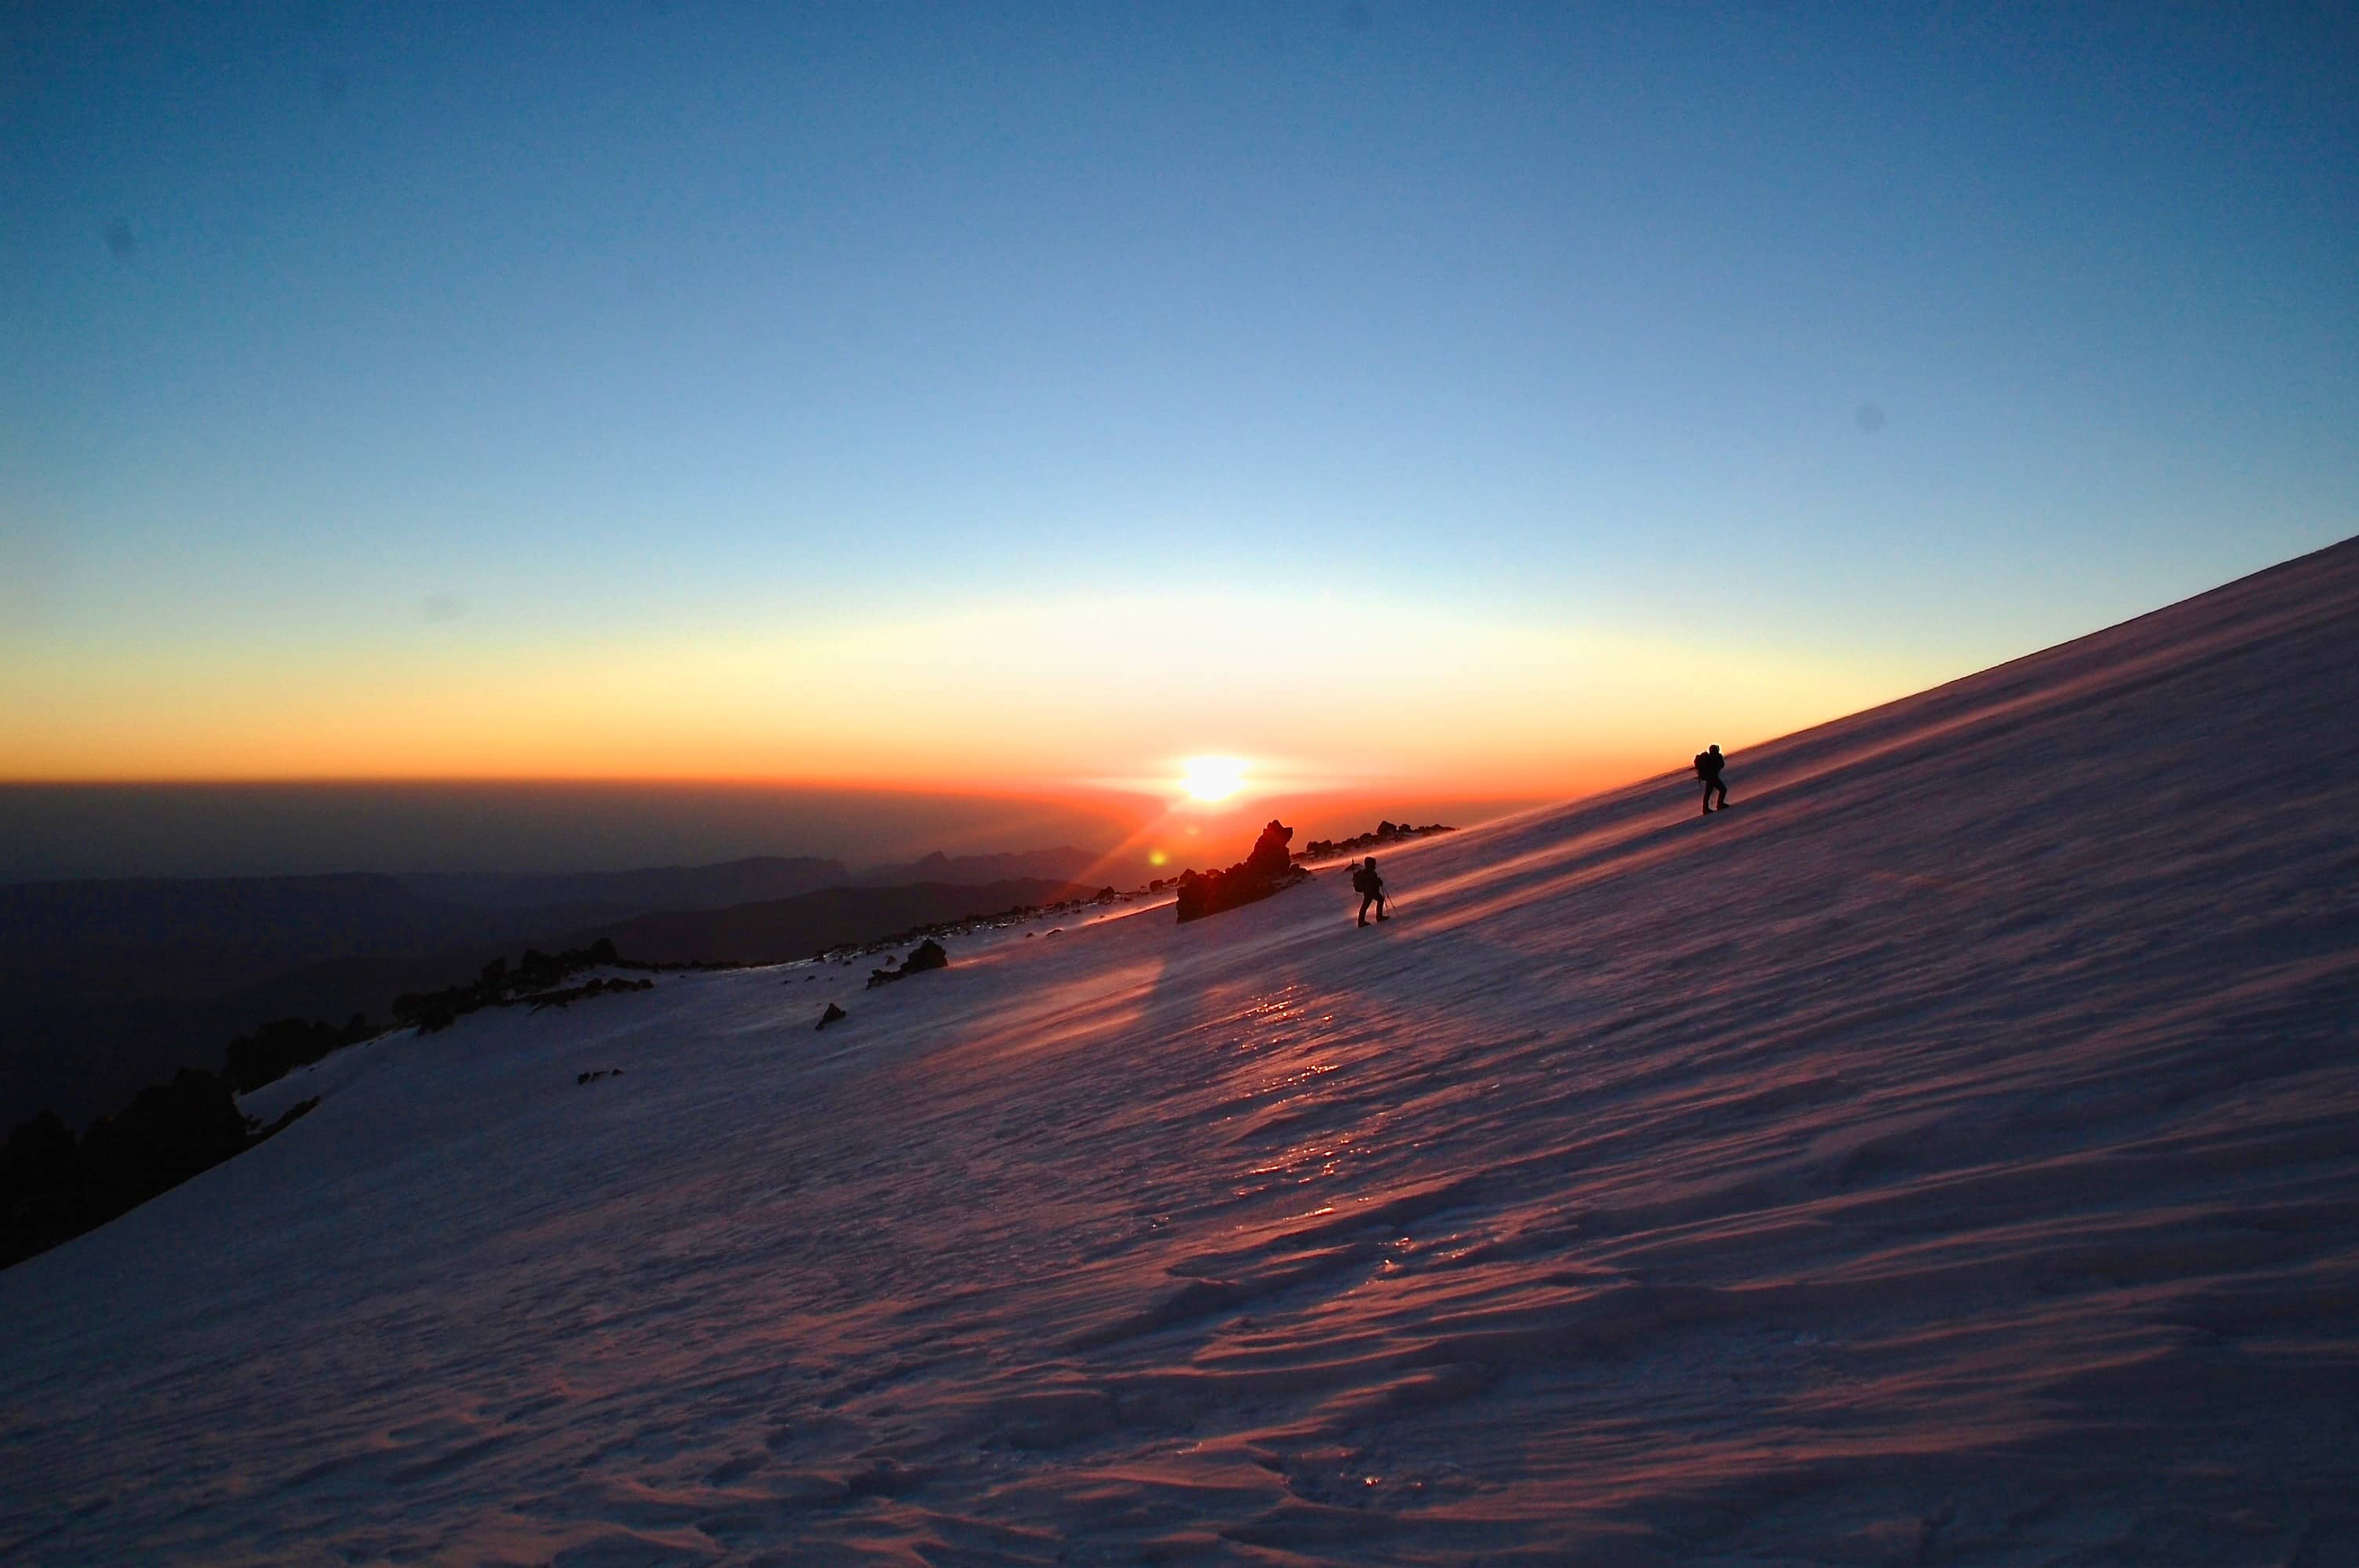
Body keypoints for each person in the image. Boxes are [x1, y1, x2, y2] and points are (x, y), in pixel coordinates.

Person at [1350, 855, 1388, 925]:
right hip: (1371, 891)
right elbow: (1372, 882)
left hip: (1368, 892)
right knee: (1378, 900)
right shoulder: (1369, 872)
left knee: (1366, 905)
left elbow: (1372, 881)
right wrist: (1379, 882)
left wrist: (1377, 882)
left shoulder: (1367, 872)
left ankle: (1362, 921)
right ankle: (1378, 917)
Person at [1694, 744, 1728, 814]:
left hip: (1710, 777)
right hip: (1712, 777)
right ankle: (1719, 805)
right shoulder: (1715, 757)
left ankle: (1706, 808)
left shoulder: (1710, 757)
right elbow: (1721, 765)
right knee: (1723, 790)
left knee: (1708, 793)